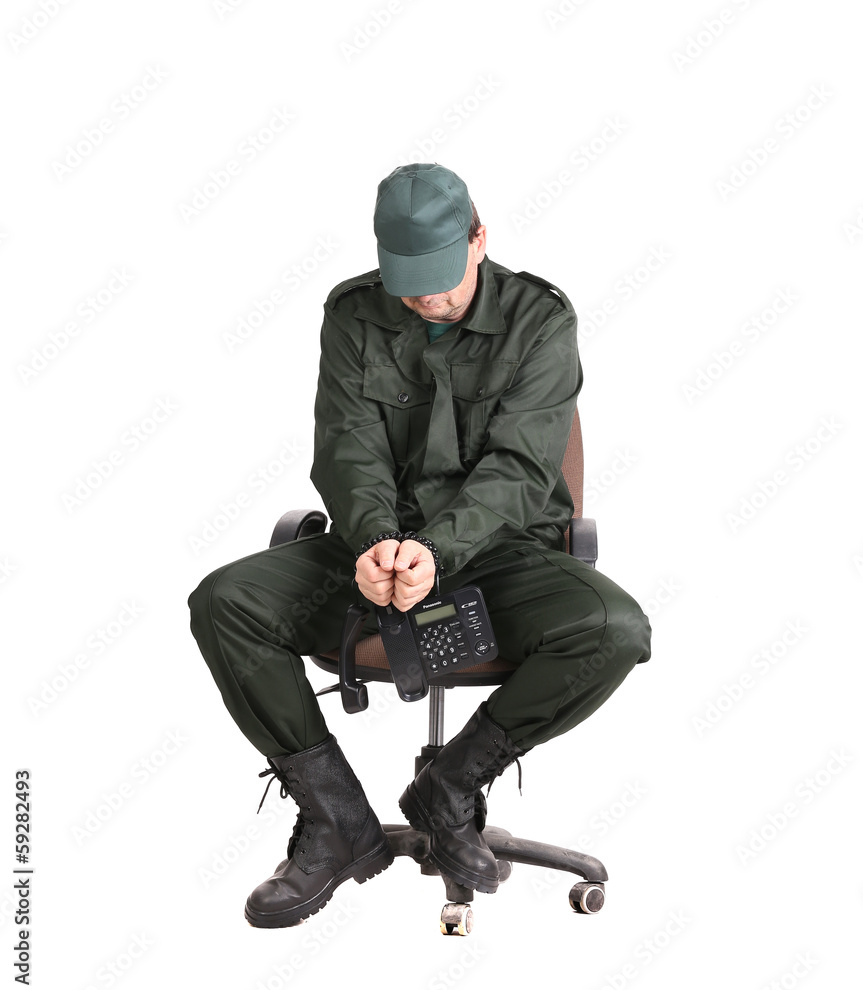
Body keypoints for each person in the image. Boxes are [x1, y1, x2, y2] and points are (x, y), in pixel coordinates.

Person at [188, 162, 652, 928]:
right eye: (408, 286)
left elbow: (518, 468)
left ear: (478, 239)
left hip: (499, 552)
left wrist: (435, 550)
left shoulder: (540, 320)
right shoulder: (353, 314)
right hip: (373, 552)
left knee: (615, 629)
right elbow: (348, 446)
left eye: (439, 282)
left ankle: (450, 787)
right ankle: (336, 820)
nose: (425, 300)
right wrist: (374, 542)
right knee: (224, 601)